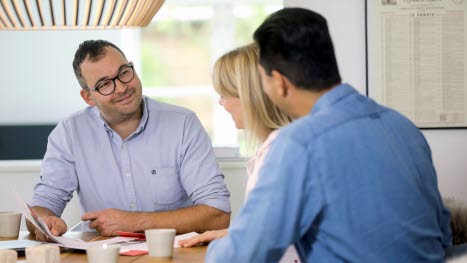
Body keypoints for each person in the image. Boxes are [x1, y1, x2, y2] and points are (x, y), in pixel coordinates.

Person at [206, 7, 451, 262]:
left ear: (278, 82)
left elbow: (242, 256)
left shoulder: (298, 144)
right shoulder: (402, 127)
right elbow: (441, 234)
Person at [26, 40, 231, 241]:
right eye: (105, 84)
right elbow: (42, 205)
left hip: (176, 254)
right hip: (104, 256)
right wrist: (45, 221)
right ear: (88, 98)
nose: (122, 88)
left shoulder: (183, 124)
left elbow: (218, 214)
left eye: (124, 73)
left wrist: (135, 222)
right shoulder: (70, 132)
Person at [178, 43, 299, 261]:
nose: (221, 102)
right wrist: (231, 234)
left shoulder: (280, 155)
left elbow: (266, 245)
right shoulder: (287, 144)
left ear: (250, 96)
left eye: (225, 93)